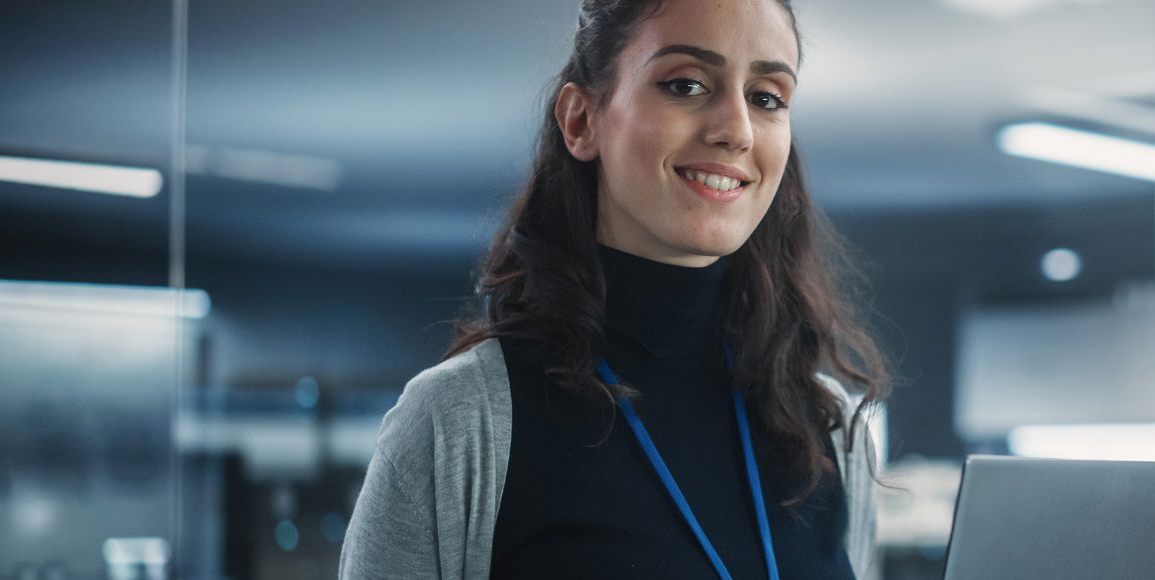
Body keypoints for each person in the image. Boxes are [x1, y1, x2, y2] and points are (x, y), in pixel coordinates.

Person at [339, 0, 890, 577]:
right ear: (582, 121)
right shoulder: (459, 422)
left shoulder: (827, 430)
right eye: (686, 84)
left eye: (767, 97)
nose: (736, 130)